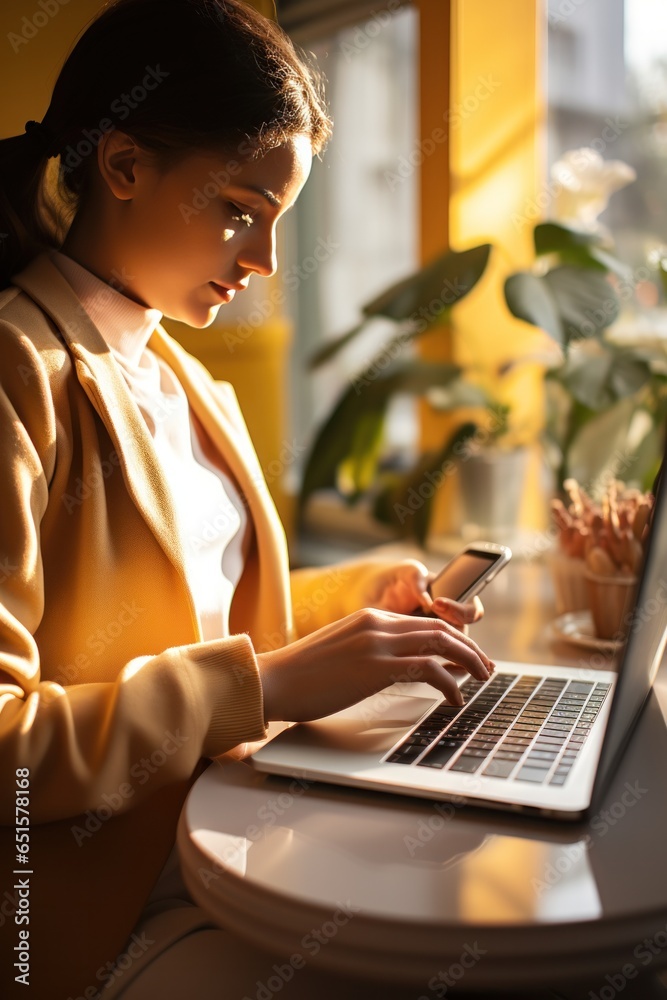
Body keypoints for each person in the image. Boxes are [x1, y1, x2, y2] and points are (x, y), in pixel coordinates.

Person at [0, 1, 494, 996]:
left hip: (225, 837)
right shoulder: (19, 370)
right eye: (237, 209)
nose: (264, 261)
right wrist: (259, 690)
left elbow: (185, 617)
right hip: (97, 914)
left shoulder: (178, 374)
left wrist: (355, 602)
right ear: (125, 166)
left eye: (276, 220)